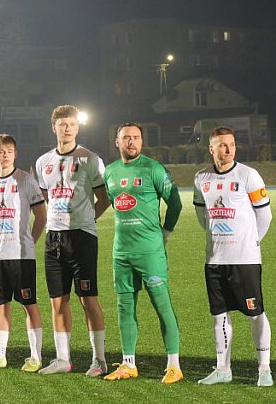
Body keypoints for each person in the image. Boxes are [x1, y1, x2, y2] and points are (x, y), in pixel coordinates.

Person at [193, 126, 273, 387]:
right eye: (222, 145)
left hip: (245, 259)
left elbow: (265, 215)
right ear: (211, 148)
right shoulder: (201, 178)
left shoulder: (248, 175)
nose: (228, 149)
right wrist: (217, 238)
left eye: (232, 144)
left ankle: (264, 369)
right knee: (219, 314)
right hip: (215, 259)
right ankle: (223, 369)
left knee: (255, 312)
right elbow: (202, 216)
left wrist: (252, 242)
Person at [103, 122, 183, 384]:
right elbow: (116, 203)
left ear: (142, 141)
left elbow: (175, 203)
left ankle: (174, 365)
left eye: (136, 137)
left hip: (150, 252)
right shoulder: (110, 171)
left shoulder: (154, 168)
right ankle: (128, 364)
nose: (131, 141)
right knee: (125, 307)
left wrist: (166, 232)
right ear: (117, 142)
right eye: (126, 137)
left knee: (162, 305)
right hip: (121, 253)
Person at [34, 105, 110, 376]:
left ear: (78, 128)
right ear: (53, 127)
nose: (67, 129)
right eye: (62, 124)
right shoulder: (42, 162)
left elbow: (104, 199)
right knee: (58, 300)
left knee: (88, 299)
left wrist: (87, 219)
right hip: (53, 238)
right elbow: (47, 197)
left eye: (72, 124)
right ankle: (63, 359)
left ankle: (99, 360)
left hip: (82, 237)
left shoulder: (90, 159)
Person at [0, 134, 47, 372]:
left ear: (15, 154)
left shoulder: (26, 180)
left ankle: (36, 356)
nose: (5, 155)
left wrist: (30, 241)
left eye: (9, 151)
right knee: (1, 305)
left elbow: (41, 216)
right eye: (1, 151)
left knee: (29, 303)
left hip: (21, 255)